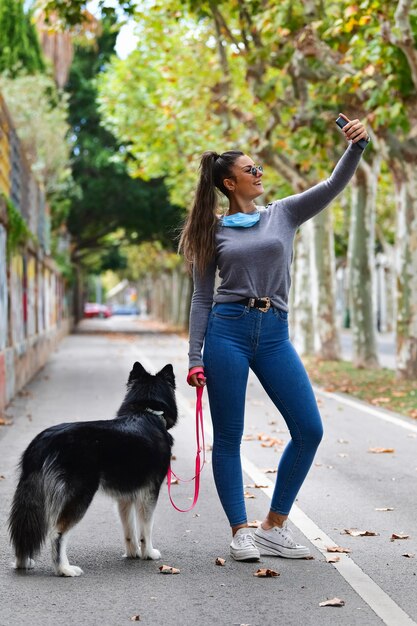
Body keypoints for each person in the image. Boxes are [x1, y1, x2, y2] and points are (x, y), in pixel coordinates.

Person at [179, 114, 369, 562]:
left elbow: (331, 185)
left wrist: (356, 146)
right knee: (229, 437)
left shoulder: (283, 213)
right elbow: (202, 298)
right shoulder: (212, 231)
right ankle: (240, 531)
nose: (260, 173)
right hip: (227, 331)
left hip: (274, 333)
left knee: (308, 429)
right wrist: (194, 356)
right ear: (229, 182)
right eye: (252, 170)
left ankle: (273, 526)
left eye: (259, 168)